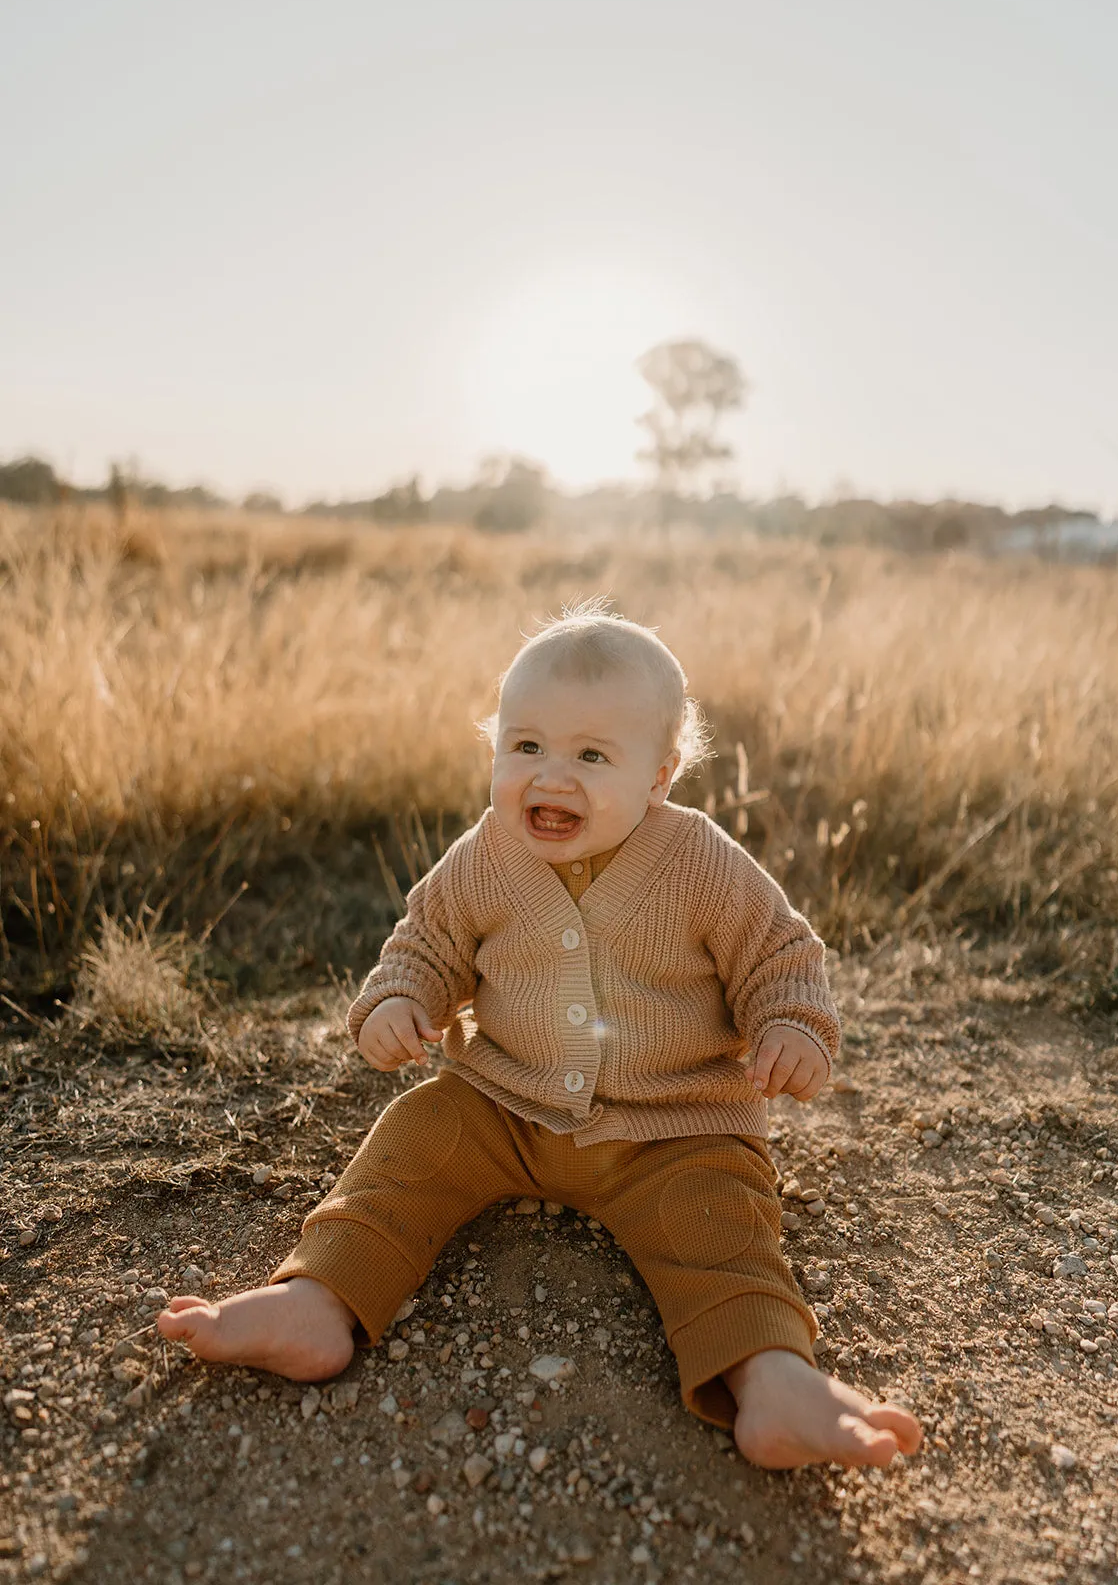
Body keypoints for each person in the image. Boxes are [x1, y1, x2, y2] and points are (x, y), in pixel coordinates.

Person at [158, 605, 921, 1470]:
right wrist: (396, 1002)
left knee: (721, 1223)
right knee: (413, 1137)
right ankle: (318, 1297)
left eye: (592, 756)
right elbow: (427, 940)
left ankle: (771, 1377)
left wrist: (791, 1024)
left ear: (660, 776)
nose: (550, 777)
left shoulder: (701, 862)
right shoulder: (484, 856)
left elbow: (778, 952)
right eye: (525, 747)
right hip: (505, 1106)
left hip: (674, 1128)